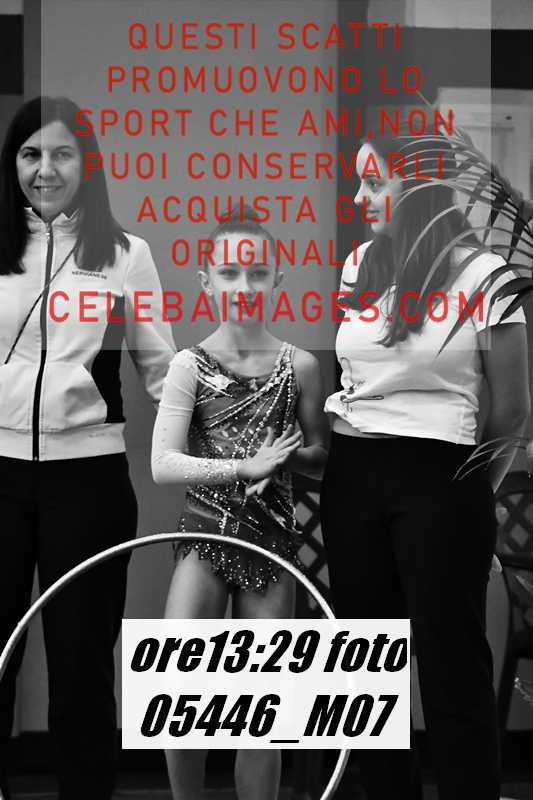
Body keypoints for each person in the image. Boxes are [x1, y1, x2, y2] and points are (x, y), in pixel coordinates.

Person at [320, 130, 530, 799]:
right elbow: (353, 376)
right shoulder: (358, 263)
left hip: (443, 479)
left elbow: (512, 412)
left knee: (451, 666)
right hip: (354, 474)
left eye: (373, 181)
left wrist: (468, 495)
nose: (360, 197)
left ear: (416, 187)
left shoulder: (487, 276)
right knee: (365, 670)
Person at [0, 96, 175, 800]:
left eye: (61, 154)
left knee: (81, 668)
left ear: (87, 164)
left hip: (89, 482)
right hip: (0, 475)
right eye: (30, 154)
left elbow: (161, 372)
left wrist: (224, 447)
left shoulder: (127, 255)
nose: (45, 169)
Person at [151, 209, 329, 800]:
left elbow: (321, 458)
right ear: (207, 282)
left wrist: (286, 459)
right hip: (204, 536)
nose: (243, 286)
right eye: (229, 273)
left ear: (278, 279)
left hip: (272, 543)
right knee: (179, 689)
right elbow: (163, 464)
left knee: (265, 709)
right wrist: (242, 466)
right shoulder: (189, 365)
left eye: (257, 273)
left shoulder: (301, 366)